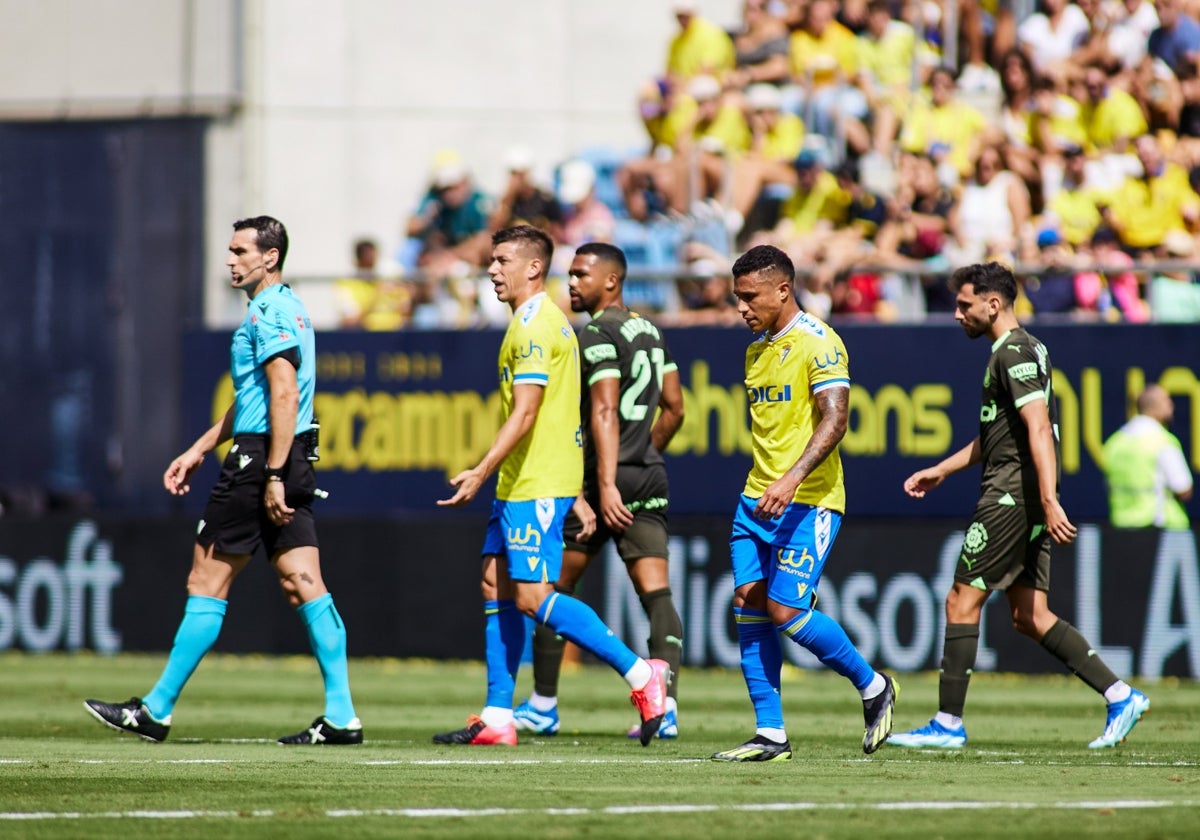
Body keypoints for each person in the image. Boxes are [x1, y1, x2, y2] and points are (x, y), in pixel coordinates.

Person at [84, 216, 363, 745]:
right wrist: (199, 448)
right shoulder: (290, 308)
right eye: (230, 250)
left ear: (270, 257)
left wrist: (272, 473)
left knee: (206, 582)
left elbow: (281, 395)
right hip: (292, 451)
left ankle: (156, 709)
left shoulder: (269, 310)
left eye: (240, 251)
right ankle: (342, 716)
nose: (230, 260)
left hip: (263, 460)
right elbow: (258, 396)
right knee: (304, 583)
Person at [889, 261, 1150, 751]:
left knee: (960, 600)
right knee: (1030, 614)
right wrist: (943, 469)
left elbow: (1037, 429)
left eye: (964, 305)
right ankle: (1121, 695)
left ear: (993, 304)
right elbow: (1000, 434)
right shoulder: (1023, 350)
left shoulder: (1013, 352)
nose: (956, 314)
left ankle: (947, 723)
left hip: (1012, 494)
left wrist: (1049, 500)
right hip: (1022, 491)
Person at [432, 226, 670, 747]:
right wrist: (576, 492)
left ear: (534, 268)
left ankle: (640, 674)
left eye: (502, 261)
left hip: (533, 483)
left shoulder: (537, 326)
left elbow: (529, 411)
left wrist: (480, 468)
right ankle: (498, 716)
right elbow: (564, 417)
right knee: (497, 584)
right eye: (490, 260)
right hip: (528, 479)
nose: (492, 270)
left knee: (537, 595)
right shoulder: (537, 322)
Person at [712, 244, 898, 762]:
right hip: (756, 500)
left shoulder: (820, 342)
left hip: (809, 499)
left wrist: (792, 479)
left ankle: (873, 685)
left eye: (750, 297)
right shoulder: (755, 348)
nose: (742, 308)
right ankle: (770, 733)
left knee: (786, 610)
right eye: (736, 298)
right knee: (749, 605)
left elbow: (835, 420)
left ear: (783, 290)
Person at [512, 243, 686, 740]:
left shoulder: (596, 333)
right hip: (646, 474)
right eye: (569, 274)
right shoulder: (651, 331)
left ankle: (543, 705)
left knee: (550, 590)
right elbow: (675, 408)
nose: (571, 283)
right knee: (657, 595)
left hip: (597, 481)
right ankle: (667, 708)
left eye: (581, 274)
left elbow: (604, 410)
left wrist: (605, 482)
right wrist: (640, 452)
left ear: (611, 281)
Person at [1102, 384, 1194, 530]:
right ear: (1154, 408)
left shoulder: (1114, 442)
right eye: (1167, 401)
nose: (1171, 405)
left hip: (1121, 527)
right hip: (1159, 527)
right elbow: (1183, 488)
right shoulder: (1162, 441)